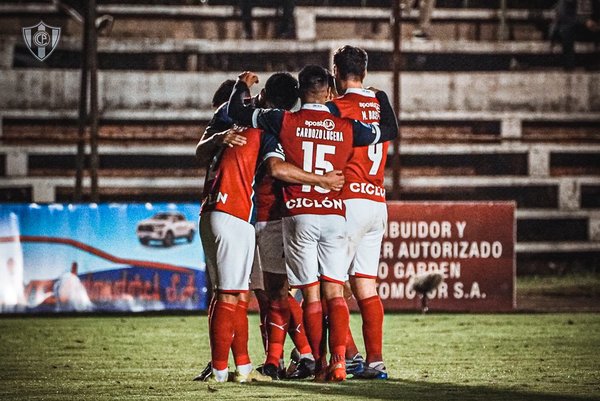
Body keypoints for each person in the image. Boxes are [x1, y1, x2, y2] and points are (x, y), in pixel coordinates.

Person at [227, 65, 398, 381]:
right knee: (336, 291)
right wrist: (382, 98)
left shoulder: (283, 120)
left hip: (300, 214)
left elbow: (237, 111)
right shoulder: (345, 126)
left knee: (310, 294)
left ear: (300, 91)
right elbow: (388, 130)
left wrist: (242, 87)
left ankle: (318, 363)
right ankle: (340, 364)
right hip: (334, 214)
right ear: (330, 91)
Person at [196, 72, 344, 383]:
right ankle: (253, 365)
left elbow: (203, 149)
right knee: (255, 293)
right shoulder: (269, 126)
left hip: (231, 212)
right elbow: (276, 168)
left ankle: (260, 362)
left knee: (254, 293)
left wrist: (239, 89)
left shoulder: (241, 118)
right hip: (249, 214)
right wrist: (324, 181)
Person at [328, 45, 391, 380]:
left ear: (337, 72)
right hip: (377, 200)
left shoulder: (337, 107)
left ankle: (349, 357)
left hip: (348, 199)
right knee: (366, 285)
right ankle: (376, 361)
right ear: (364, 72)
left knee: (331, 285)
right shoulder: (380, 105)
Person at [550, 0, 600, 70]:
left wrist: (596, 23)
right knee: (566, 29)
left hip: (592, 26)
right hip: (573, 26)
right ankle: (569, 66)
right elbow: (564, 15)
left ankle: (595, 63)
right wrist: (584, 21)